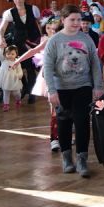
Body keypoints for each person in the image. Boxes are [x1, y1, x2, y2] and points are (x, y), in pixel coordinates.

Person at [45, 5, 104, 176]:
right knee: (63, 122)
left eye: (79, 19)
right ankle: (67, 158)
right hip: (61, 89)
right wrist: (51, 90)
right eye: (72, 19)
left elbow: (95, 64)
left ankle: (82, 159)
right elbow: (47, 67)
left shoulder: (87, 39)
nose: (77, 23)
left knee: (82, 122)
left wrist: (98, 86)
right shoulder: (54, 41)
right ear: (63, 20)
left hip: (83, 86)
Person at [15, 17, 64, 153]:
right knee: (54, 108)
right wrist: (17, 61)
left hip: (66, 78)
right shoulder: (48, 41)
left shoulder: (67, 40)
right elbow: (33, 51)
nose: (52, 32)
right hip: (50, 77)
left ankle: (63, 134)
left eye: (55, 29)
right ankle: (54, 138)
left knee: (66, 109)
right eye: (49, 29)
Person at [0, 0, 43, 103]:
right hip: (18, 43)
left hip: (32, 42)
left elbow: (39, 23)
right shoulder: (9, 13)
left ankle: (32, 93)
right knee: (18, 67)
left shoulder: (33, 9)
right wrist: (1, 39)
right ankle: (24, 87)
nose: (18, 0)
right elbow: (1, 29)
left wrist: (42, 38)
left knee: (31, 68)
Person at [0, 45, 25, 111]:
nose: (10, 55)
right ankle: (6, 105)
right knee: (6, 92)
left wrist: (19, 75)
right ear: (5, 54)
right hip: (5, 79)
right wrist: (2, 48)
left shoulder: (17, 62)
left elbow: (20, 70)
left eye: (12, 54)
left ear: (16, 54)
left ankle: (18, 99)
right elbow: (0, 55)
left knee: (16, 93)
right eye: (8, 54)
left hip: (14, 79)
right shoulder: (4, 60)